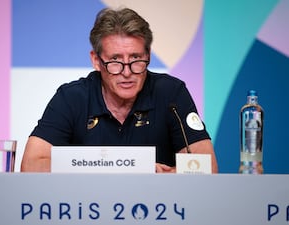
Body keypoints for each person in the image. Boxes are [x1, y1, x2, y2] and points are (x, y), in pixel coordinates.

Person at [20, 7, 218, 173]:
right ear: (96, 61)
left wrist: (165, 176)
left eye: (135, 59)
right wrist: (130, 169)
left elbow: (206, 165)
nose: (127, 72)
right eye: (115, 60)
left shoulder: (171, 94)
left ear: (148, 55)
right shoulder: (72, 97)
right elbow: (32, 165)